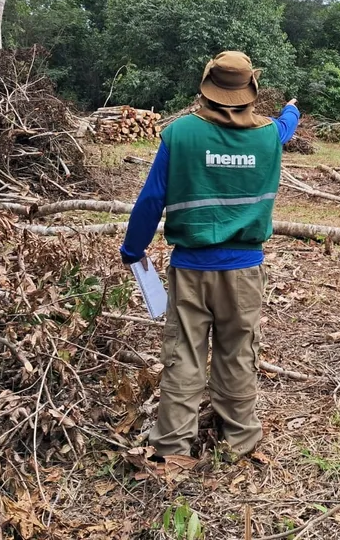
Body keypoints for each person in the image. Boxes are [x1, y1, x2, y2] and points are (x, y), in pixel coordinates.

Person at [120, 50, 299, 461]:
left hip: (191, 268)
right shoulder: (269, 135)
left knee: (184, 353)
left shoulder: (180, 133)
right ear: (249, 90)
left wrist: (133, 249)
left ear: (207, 87)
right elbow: (286, 126)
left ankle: (171, 447)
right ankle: (239, 440)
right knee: (237, 352)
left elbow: (150, 200)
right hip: (245, 270)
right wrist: (293, 110)